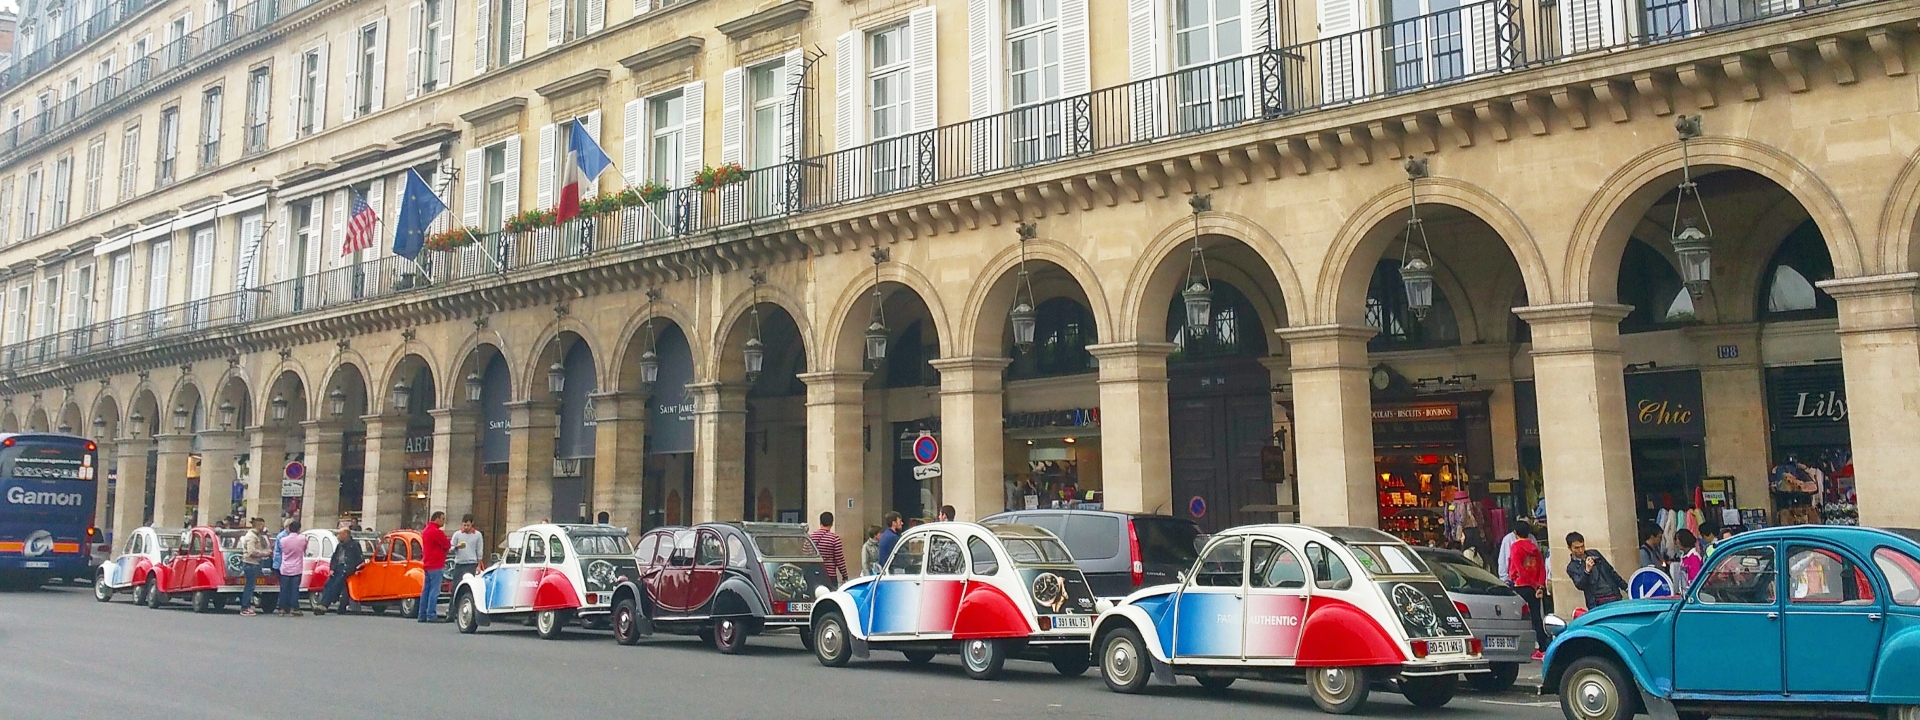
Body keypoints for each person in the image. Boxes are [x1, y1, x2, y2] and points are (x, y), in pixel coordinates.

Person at [1505, 522, 1547, 660]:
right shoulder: (1534, 547)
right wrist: (1539, 585)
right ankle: (1542, 646)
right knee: (1536, 617)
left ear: (1515, 533)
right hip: (1534, 588)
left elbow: (1517, 568)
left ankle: (1518, 646)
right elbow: (1541, 568)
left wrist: (1514, 578)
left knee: (1518, 616)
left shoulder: (1515, 547)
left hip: (1520, 585)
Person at [1566, 531, 1627, 609]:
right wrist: (1587, 571)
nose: (1581, 550)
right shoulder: (1571, 567)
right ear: (1569, 548)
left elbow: (1610, 571)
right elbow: (1580, 585)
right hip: (1597, 601)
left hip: (1613, 594)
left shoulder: (1594, 553)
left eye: (1582, 546)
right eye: (1577, 548)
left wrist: (1625, 587)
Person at [316, 527, 363, 615]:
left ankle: (325, 605)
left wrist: (353, 568)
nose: (338, 536)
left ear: (345, 535)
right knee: (328, 583)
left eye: (339, 534)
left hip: (348, 569)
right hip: (338, 568)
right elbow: (334, 558)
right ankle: (322, 604)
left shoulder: (354, 545)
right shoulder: (339, 546)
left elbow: (359, 559)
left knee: (337, 583)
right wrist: (332, 569)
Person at [418, 511, 451, 622]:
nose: (443, 521)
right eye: (442, 519)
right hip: (436, 563)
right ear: (437, 518)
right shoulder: (437, 532)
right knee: (434, 591)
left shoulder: (426, 530)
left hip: (427, 563)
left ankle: (422, 614)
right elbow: (446, 544)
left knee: (425, 590)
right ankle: (431, 615)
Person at [239, 517, 273, 617]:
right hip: (250, 563)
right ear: (259, 525)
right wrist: (264, 553)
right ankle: (245, 607)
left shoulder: (257, 536)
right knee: (249, 587)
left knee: (251, 586)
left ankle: (246, 606)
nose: (263, 527)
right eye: (262, 525)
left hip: (254, 563)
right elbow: (251, 551)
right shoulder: (251, 537)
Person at [275, 520, 308, 617]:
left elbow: (282, 551)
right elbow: (304, 549)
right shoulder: (303, 539)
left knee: (284, 589)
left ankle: (282, 609)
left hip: (285, 567)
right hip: (297, 567)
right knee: (294, 589)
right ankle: (294, 608)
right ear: (298, 529)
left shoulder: (283, 540)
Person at [808, 512, 850, 587]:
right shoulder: (834, 539)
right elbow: (839, 560)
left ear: (820, 522)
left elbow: (805, 554)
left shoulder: (810, 538)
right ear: (832, 523)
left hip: (812, 574)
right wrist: (844, 575)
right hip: (829, 575)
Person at [449, 514, 484, 591]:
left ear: (472, 524)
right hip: (459, 564)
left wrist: (478, 566)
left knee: (469, 587)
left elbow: (479, 550)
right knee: (456, 586)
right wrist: (456, 547)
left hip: (471, 564)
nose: (466, 527)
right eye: (464, 525)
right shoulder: (457, 534)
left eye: (468, 525)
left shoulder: (478, 535)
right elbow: (450, 548)